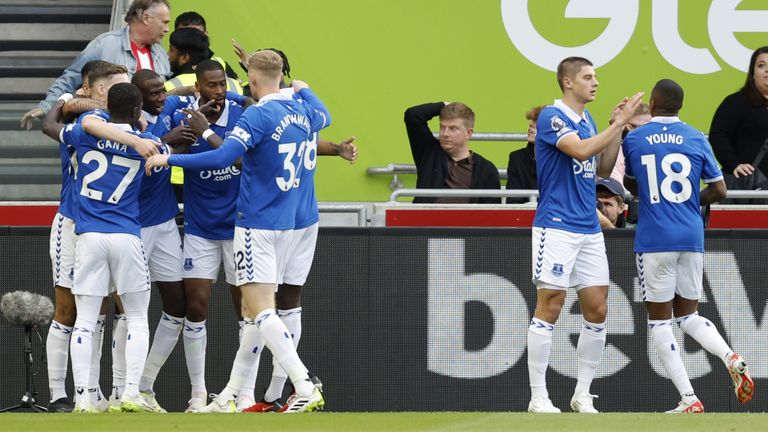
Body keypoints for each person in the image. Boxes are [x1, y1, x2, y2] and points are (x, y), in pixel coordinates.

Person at [145, 49, 329, 413]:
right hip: (302, 221)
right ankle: (232, 392)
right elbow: (326, 112)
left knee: (259, 310)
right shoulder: (308, 109)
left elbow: (220, 157)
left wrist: (168, 157)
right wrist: (303, 88)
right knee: (259, 313)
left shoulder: (259, 114)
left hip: (260, 222)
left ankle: (303, 384)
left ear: (252, 80)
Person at [623, 79, 754, 413]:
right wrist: (688, 202)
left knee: (659, 323)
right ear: (680, 106)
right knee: (690, 314)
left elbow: (625, 180)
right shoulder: (696, 137)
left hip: (655, 238)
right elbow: (720, 190)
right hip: (691, 235)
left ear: (652, 104)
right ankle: (730, 356)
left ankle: (689, 399)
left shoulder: (636, 138)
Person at [526, 56, 642, 414]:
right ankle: (538, 397)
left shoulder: (587, 119)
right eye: (588, 77)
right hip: (556, 224)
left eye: (596, 76)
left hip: (588, 228)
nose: (595, 82)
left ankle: (582, 394)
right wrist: (619, 123)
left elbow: (602, 167)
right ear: (567, 82)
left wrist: (614, 129)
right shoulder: (553, 116)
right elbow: (578, 149)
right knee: (551, 306)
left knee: (598, 308)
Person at [41, 83, 158, 412]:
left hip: (88, 236)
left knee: (85, 321)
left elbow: (53, 126)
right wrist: (139, 137)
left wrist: (65, 100)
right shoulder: (149, 144)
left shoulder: (83, 133)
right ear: (136, 111)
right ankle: (131, 393)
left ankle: (82, 399)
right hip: (126, 235)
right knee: (136, 318)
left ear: (108, 108)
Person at [20, 0, 171, 129]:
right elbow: (70, 79)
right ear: (146, 18)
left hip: (148, 134)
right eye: (164, 22)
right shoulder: (104, 44)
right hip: (106, 134)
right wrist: (45, 107)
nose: (167, 29)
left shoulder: (161, 54)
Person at [404, 102, 501, 203]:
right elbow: (412, 115)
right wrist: (444, 104)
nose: (445, 134)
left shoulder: (486, 170)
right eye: (442, 127)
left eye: (452, 128)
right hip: (425, 218)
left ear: (468, 133)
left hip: (466, 219)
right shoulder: (429, 152)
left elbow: (491, 213)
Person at [709, 46, 768, 190]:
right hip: (751, 188)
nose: (767, 70)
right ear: (752, 73)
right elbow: (718, 135)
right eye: (761, 65)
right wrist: (733, 164)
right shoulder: (736, 102)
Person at [174, 11, 241, 81]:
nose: (192, 41)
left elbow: (241, 89)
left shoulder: (220, 64)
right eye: (186, 36)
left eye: (198, 35)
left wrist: (249, 69)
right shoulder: (167, 68)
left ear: (206, 34)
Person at [506, 105, 544, 203]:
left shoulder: (560, 159)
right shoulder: (517, 159)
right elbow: (513, 201)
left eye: (536, 125)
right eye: (530, 125)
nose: (530, 129)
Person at [609, 103, 651, 183]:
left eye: (644, 127)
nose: (638, 133)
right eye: (633, 126)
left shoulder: (662, 152)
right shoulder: (615, 155)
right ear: (624, 125)